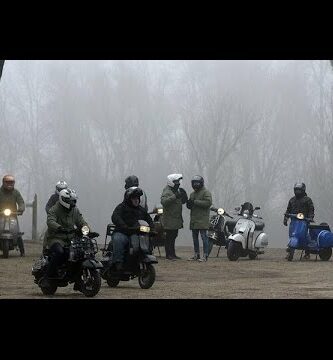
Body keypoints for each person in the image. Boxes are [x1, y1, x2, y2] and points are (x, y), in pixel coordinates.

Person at [43, 188, 88, 290]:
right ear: (64, 200)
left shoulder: (75, 210)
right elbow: (50, 221)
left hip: (71, 239)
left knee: (80, 254)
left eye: (74, 200)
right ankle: (47, 277)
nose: (72, 203)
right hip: (56, 238)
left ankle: (78, 280)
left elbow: (81, 222)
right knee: (59, 252)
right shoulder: (54, 209)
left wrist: (88, 230)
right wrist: (59, 228)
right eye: (70, 201)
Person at [111, 186, 154, 270]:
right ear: (128, 198)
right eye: (134, 198)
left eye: (138, 198)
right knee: (118, 239)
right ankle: (118, 262)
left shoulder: (142, 210)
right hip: (123, 232)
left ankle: (143, 256)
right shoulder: (121, 207)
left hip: (136, 233)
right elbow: (115, 217)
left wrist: (153, 229)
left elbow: (149, 220)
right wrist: (124, 226)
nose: (136, 200)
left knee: (147, 239)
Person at [284, 182, 314, 260]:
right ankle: (290, 250)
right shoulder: (292, 200)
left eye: (299, 190)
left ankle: (307, 253)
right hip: (293, 221)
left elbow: (311, 209)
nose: (297, 192)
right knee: (292, 234)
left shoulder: (308, 199)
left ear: (303, 190)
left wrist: (310, 217)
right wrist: (285, 218)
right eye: (296, 190)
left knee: (303, 234)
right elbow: (288, 209)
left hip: (304, 221)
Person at [160, 173, 188, 260]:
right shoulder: (167, 191)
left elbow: (181, 201)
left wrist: (184, 197)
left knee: (173, 237)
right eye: (176, 181)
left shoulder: (176, 190)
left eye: (178, 181)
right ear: (171, 182)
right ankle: (169, 255)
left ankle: (173, 254)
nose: (178, 183)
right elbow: (164, 202)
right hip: (169, 219)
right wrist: (175, 196)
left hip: (176, 218)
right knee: (169, 238)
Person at [186, 175, 212, 262]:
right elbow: (191, 205)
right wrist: (188, 204)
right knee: (195, 238)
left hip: (202, 219)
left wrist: (195, 202)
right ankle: (196, 254)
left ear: (201, 183)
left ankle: (205, 255)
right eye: (194, 183)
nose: (195, 185)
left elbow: (208, 203)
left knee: (204, 237)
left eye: (197, 183)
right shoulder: (192, 194)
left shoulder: (206, 192)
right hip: (194, 219)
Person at [0, 175, 25, 256]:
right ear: (3, 182)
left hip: (13, 215)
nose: (9, 184)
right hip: (0, 214)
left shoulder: (16, 192)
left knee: (17, 232)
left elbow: (21, 201)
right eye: (7, 182)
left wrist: (21, 208)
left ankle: (22, 251)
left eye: (11, 182)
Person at [42, 180, 69, 252]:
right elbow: (47, 206)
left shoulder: (68, 197)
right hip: (55, 220)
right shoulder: (53, 197)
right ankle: (45, 249)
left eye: (64, 189)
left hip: (66, 220)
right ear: (57, 189)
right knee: (48, 233)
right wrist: (51, 215)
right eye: (60, 189)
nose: (62, 191)